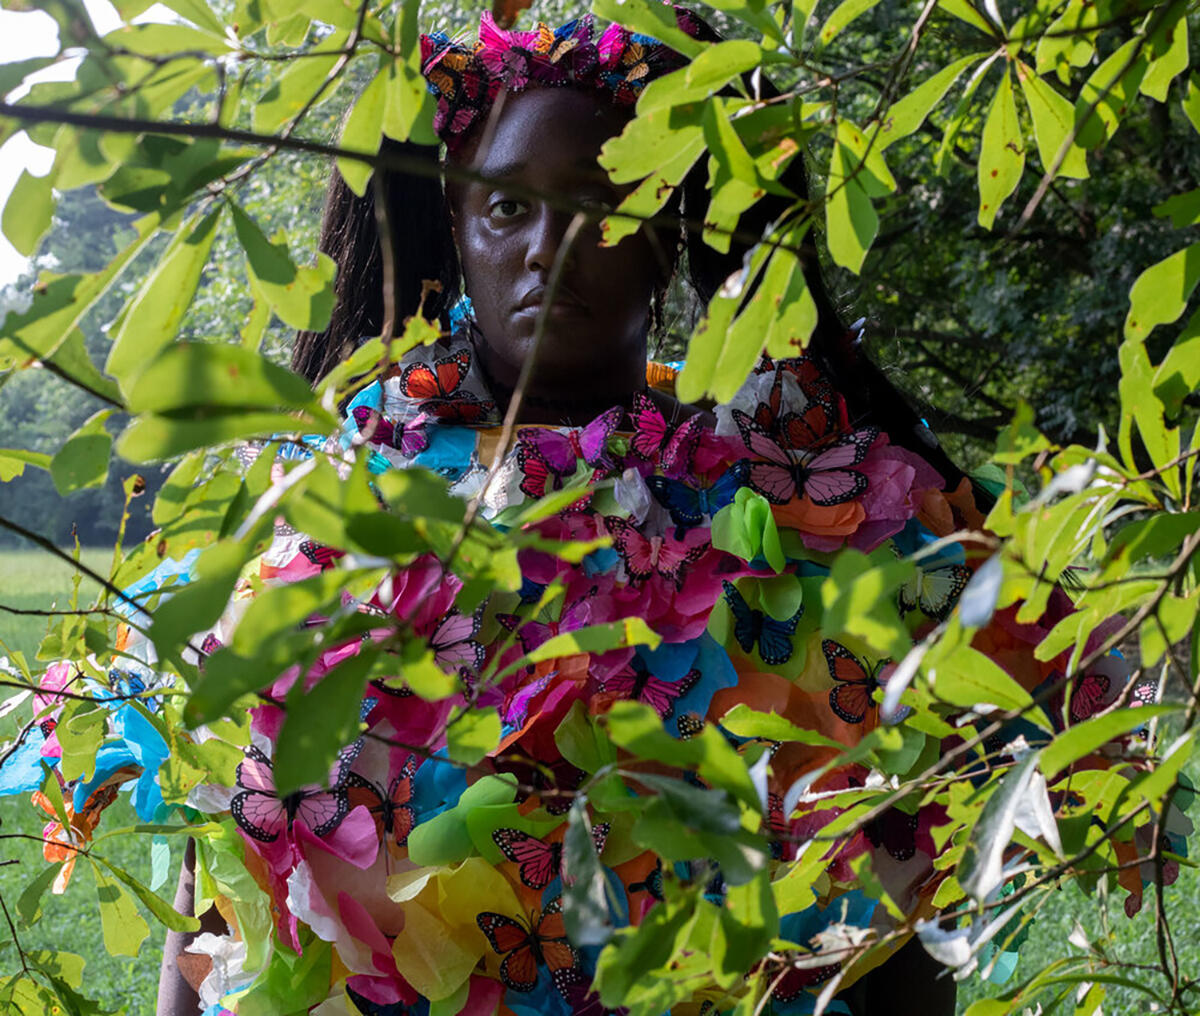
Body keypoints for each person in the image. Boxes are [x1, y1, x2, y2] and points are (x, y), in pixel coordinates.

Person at [8, 7, 1149, 1016]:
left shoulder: (815, 521)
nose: (549, 245)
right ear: (456, 227)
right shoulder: (314, 509)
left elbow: (903, 888)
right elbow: (219, 877)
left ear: (672, 236)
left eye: (604, 207)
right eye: (510, 206)